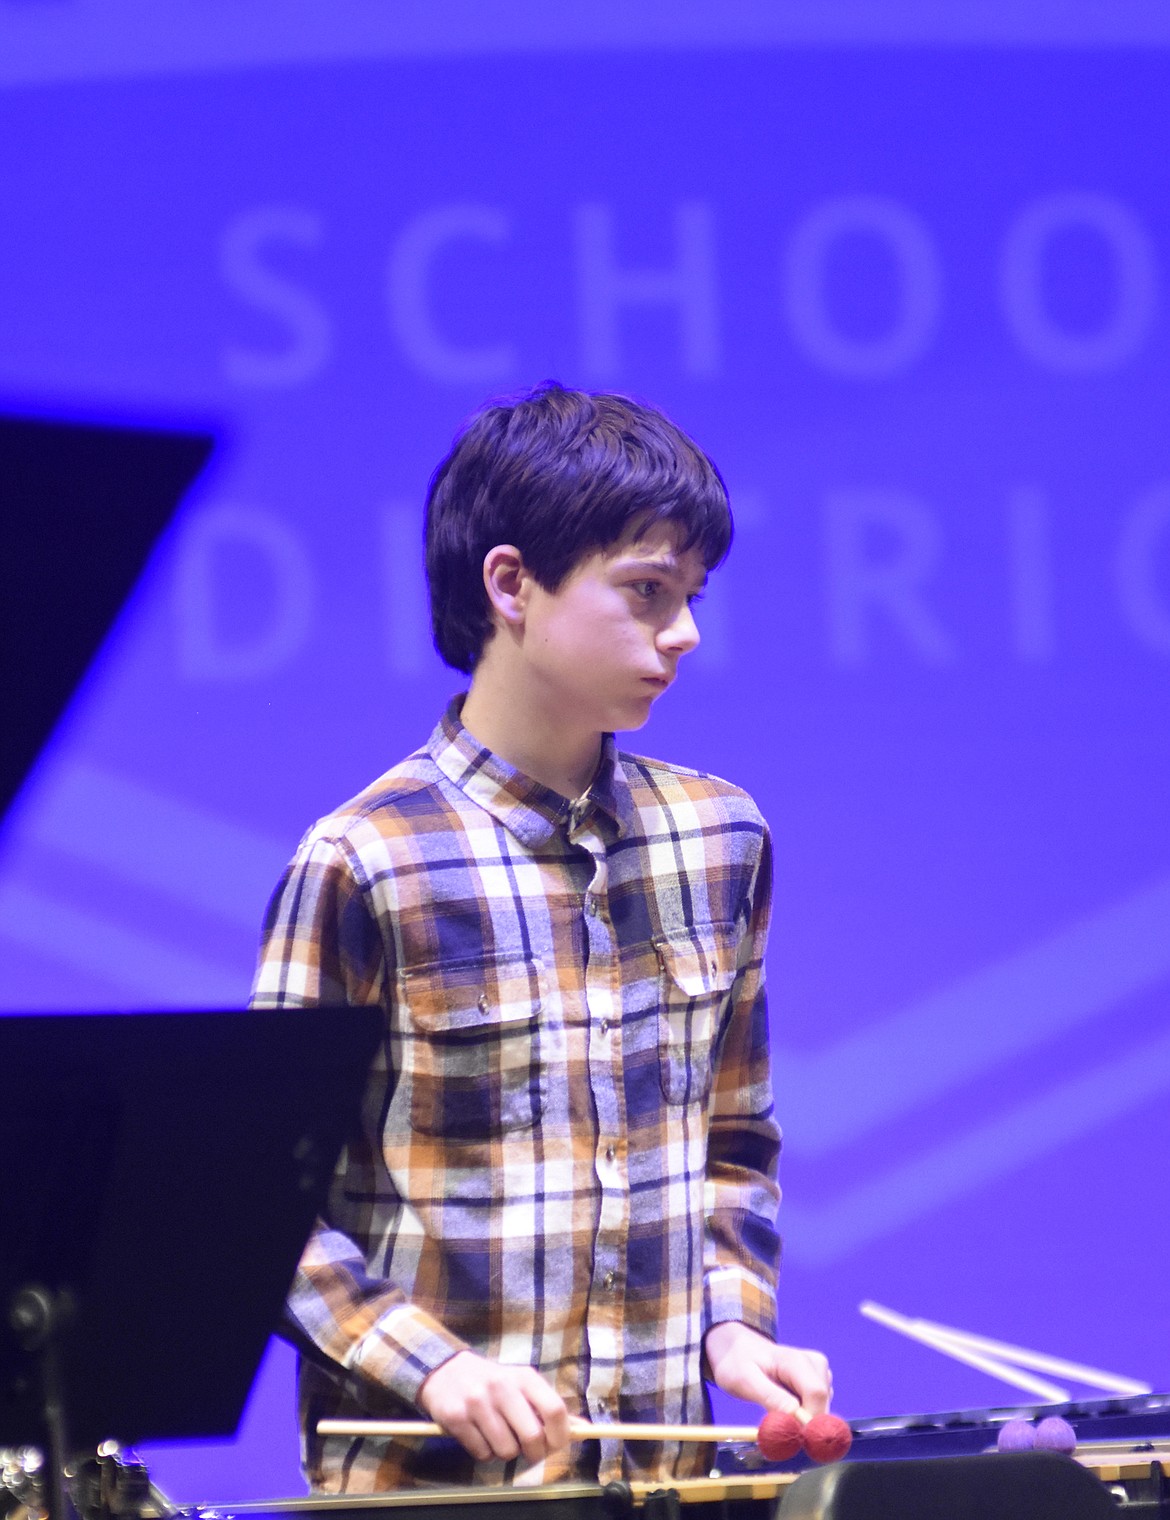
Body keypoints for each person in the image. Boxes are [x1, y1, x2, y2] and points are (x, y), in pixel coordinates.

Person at [251, 383, 832, 1492]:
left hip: (663, 1480)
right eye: (648, 592)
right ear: (511, 583)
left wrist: (732, 1326)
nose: (687, 631)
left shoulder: (720, 836)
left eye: (694, 594)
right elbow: (258, 1209)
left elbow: (734, 1143)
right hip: (432, 1490)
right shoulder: (365, 858)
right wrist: (436, 1369)